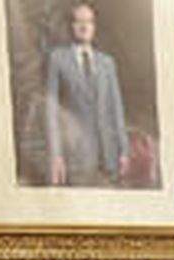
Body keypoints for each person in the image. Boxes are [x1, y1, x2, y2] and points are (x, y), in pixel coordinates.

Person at [44, 3, 127, 187]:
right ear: (70, 26)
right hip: (76, 158)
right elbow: (51, 112)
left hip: (109, 157)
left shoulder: (107, 63)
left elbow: (116, 109)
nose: (84, 26)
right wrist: (56, 155)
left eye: (89, 21)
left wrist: (123, 150)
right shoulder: (57, 59)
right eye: (78, 22)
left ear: (94, 26)